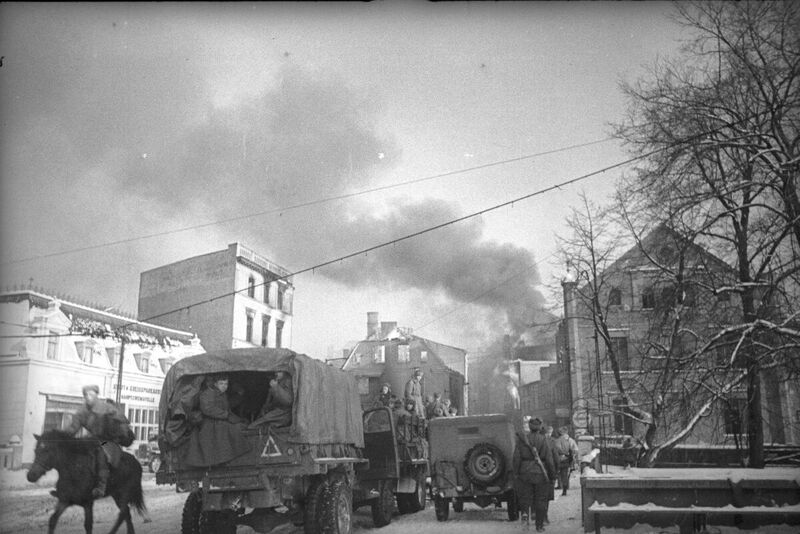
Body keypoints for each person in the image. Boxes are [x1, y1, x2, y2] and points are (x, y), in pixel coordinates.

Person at [65, 385, 131, 498]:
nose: (88, 397)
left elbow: (122, 420)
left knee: (101, 450)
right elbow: (73, 428)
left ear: (96, 395)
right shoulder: (82, 411)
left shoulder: (107, 408)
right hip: (92, 438)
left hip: (107, 441)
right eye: (86, 395)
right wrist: (63, 437)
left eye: (91, 394)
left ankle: (101, 486)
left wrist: (122, 433)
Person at [185, 374, 251, 467]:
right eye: (221, 383)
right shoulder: (208, 393)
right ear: (215, 384)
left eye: (226, 384)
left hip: (219, 421)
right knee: (231, 431)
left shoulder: (222, 395)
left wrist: (238, 419)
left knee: (240, 426)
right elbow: (207, 409)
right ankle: (224, 459)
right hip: (210, 424)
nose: (224, 386)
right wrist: (225, 415)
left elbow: (227, 408)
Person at [513, 417, 556, 532]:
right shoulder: (544, 440)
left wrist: (516, 473)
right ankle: (539, 526)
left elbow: (516, 458)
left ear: (530, 427)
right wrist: (552, 476)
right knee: (541, 500)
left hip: (525, 473)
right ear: (540, 427)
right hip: (540, 473)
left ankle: (525, 520)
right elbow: (549, 459)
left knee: (525, 498)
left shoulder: (522, 440)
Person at [554, 426, 580, 495]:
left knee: (559, 473)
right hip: (567, 459)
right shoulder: (570, 440)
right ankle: (565, 488)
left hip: (559, 459)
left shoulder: (557, 440)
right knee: (565, 474)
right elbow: (575, 450)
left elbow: (555, 449)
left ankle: (560, 486)